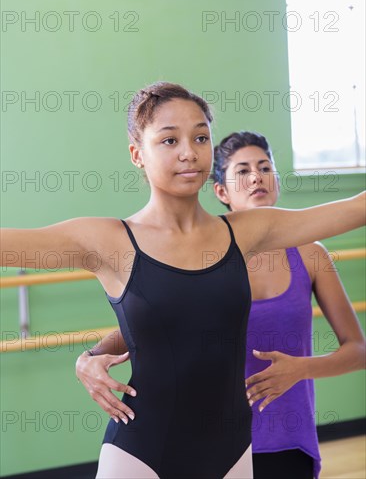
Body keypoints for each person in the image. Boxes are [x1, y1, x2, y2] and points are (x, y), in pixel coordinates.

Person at [2, 83, 365, 479]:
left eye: (200, 137)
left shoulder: (248, 231)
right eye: (169, 140)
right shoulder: (107, 240)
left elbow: (355, 208)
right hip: (141, 455)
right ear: (137, 154)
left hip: (233, 454)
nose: (189, 152)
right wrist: (86, 357)